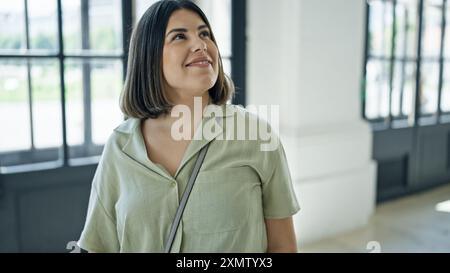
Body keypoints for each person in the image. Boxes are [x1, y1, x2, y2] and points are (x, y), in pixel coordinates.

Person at [77, 0, 300, 253]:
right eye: (180, 36)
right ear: (150, 56)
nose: (201, 45)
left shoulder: (257, 137)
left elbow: (283, 247)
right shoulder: (120, 146)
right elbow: (99, 246)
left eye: (205, 34)